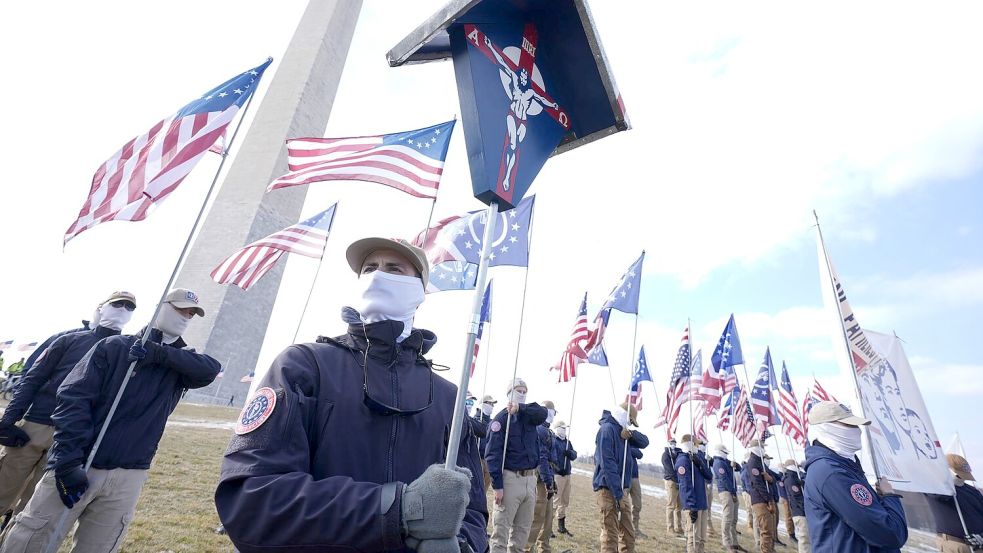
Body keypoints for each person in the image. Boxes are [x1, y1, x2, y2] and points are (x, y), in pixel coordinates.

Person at [215, 238, 488, 553]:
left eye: (394, 269)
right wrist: (396, 510)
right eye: (370, 268)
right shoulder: (305, 365)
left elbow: (471, 508)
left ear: (419, 292)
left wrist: (463, 545)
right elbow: (253, 496)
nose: (378, 275)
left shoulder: (448, 398)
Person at [2, 288, 219, 553]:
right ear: (161, 307)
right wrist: (68, 460)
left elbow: (210, 369)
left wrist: (157, 353)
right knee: (31, 538)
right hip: (83, 461)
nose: (185, 317)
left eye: (191, 313)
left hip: (130, 472)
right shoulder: (113, 346)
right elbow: (73, 399)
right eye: (179, 309)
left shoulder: (181, 363)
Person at [0, 291, 136, 524]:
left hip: (72, 436)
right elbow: (33, 378)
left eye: (129, 307)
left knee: (33, 506)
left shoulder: (127, 350)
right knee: (4, 487)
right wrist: (9, 420)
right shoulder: (68, 339)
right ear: (102, 308)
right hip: (36, 425)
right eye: (117, 304)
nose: (122, 309)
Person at [802, 401, 908, 553]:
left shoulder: (844, 465)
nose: (856, 430)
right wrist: (890, 496)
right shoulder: (832, 473)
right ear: (827, 427)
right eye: (848, 425)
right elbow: (890, 534)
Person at [487, 378, 548, 553]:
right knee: (501, 534)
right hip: (510, 480)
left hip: (530, 480)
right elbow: (493, 455)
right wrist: (497, 486)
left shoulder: (530, 416)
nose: (522, 394)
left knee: (521, 534)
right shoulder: (501, 419)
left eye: (524, 391)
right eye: (518, 390)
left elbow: (542, 413)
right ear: (509, 393)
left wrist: (521, 408)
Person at [593, 404, 649, 553]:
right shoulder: (607, 430)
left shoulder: (623, 432)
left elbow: (645, 442)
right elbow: (608, 465)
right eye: (630, 420)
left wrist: (630, 434)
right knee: (610, 535)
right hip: (608, 489)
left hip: (621, 490)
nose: (630, 424)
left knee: (629, 534)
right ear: (624, 416)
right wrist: (618, 494)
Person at [926, 454, 983, 552]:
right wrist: (948, 482)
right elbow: (940, 496)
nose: (962, 479)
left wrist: (981, 537)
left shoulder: (972, 491)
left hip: (978, 545)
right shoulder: (934, 487)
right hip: (954, 544)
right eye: (959, 476)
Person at [525, 400, 557, 553]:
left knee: (548, 517)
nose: (552, 415)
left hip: (548, 476)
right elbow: (542, 457)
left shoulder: (548, 431)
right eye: (551, 411)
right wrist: (548, 480)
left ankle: (544, 548)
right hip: (541, 479)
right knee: (538, 516)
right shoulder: (540, 430)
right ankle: (526, 547)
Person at [675, 434, 713, 553]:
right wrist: (691, 506)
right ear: (690, 444)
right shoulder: (683, 461)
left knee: (701, 539)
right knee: (693, 538)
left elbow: (709, 476)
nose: (698, 446)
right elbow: (686, 486)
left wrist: (699, 463)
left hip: (702, 503)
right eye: (696, 443)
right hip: (694, 505)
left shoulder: (696, 459)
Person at [623, 403, 649, 540]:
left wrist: (631, 435)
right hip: (624, 476)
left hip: (635, 476)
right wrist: (630, 450)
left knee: (637, 505)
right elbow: (626, 451)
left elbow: (642, 449)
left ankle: (635, 528)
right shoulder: (618, 433)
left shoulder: (631, 435)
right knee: (623, 505)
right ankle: (623, 529)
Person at [712, 445, 743, 552]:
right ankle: (727, 542)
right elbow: (724, 479)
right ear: (719, 452)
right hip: (726, 491)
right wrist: (732, 492)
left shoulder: (725, 461)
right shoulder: (718, 463)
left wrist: (736, 464)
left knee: (734, 519)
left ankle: (734, 542)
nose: (726, 454)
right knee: (728, 517)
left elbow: (739, 468)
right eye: (725, 452)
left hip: (732, 491)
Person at [747, 439, 775, 553]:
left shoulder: (760, 462)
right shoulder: (753, 462)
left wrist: (770, 479)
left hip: (764, 499)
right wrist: (769, 500)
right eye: (762, 447)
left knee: (769, 529)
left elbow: (772, 477)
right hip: (760, 499)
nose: (764, 450)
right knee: (766, 530)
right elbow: (757, 483)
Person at [551, 420, 577, 538]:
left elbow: (574, 455)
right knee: (554, 501)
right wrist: (558, 467)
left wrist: (570, 453)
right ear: (557, 428)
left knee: (564, 501)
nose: (564, 430)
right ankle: (548, 526)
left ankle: (561, 526)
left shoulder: (567, 442)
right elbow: (553, 456)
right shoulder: (553, 440)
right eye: (562, 428)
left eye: (565, 428)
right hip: (557, 474)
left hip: (567, 474)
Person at [784, 459, 811, 553]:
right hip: (800, 512)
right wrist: (807, 509)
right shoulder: (791, 479)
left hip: (800, 511)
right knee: (804, 538)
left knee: (806, 538)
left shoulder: (795, 478)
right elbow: (797, 498)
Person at [663, 437, 684, 535]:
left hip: (679, 482)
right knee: (671, 505)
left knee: (679, 506)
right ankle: (670, 528)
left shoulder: (678, 454)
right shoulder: (666, 455)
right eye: (671, 442)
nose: (673, 444)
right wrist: (675, 480)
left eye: (675, 442)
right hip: (671, 481)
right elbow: (669, 470)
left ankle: (678, 527)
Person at [765, 455, 786, 547]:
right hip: (769, 498)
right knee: (771, 521)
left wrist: (782, 472)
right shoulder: (763, 470)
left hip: (774, 497)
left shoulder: (769, 470)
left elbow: (778, 477)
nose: (769, 461)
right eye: (768, 459)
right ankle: (772, 540)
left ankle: (775, 538)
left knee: (776, 520)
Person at [697, 440, 715, 537]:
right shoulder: (698, 455)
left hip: (709, 483)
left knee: (709, 506)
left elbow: (712, 464)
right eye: (702, 444)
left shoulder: (705, 455)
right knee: (704, 506)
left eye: (704, 445)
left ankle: (708, 526)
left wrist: (710, 459)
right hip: (703, 483)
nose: (704, 446)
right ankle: (706, 527)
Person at [776, 459, 796, 544]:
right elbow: (782, 489)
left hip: (787, 498)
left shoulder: (783, 476)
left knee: (790, 515)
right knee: (788, 515)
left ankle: (792, 532)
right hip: (785, 498)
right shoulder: (780, 477)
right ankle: (790, 533)